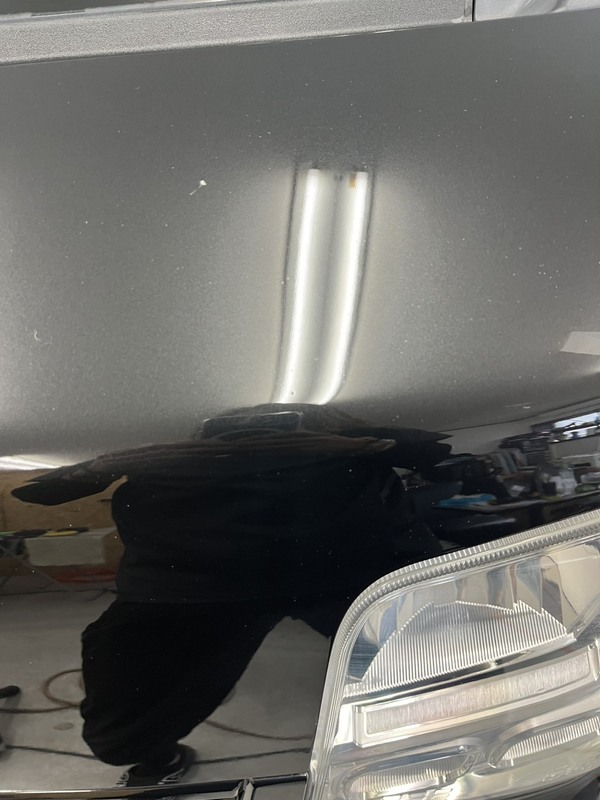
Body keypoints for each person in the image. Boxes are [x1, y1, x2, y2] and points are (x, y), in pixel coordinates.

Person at [12, 403, 451, 788]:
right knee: (437, 666)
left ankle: (430, 735)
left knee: (441, 674)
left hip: (215, 562)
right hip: (302, 553)